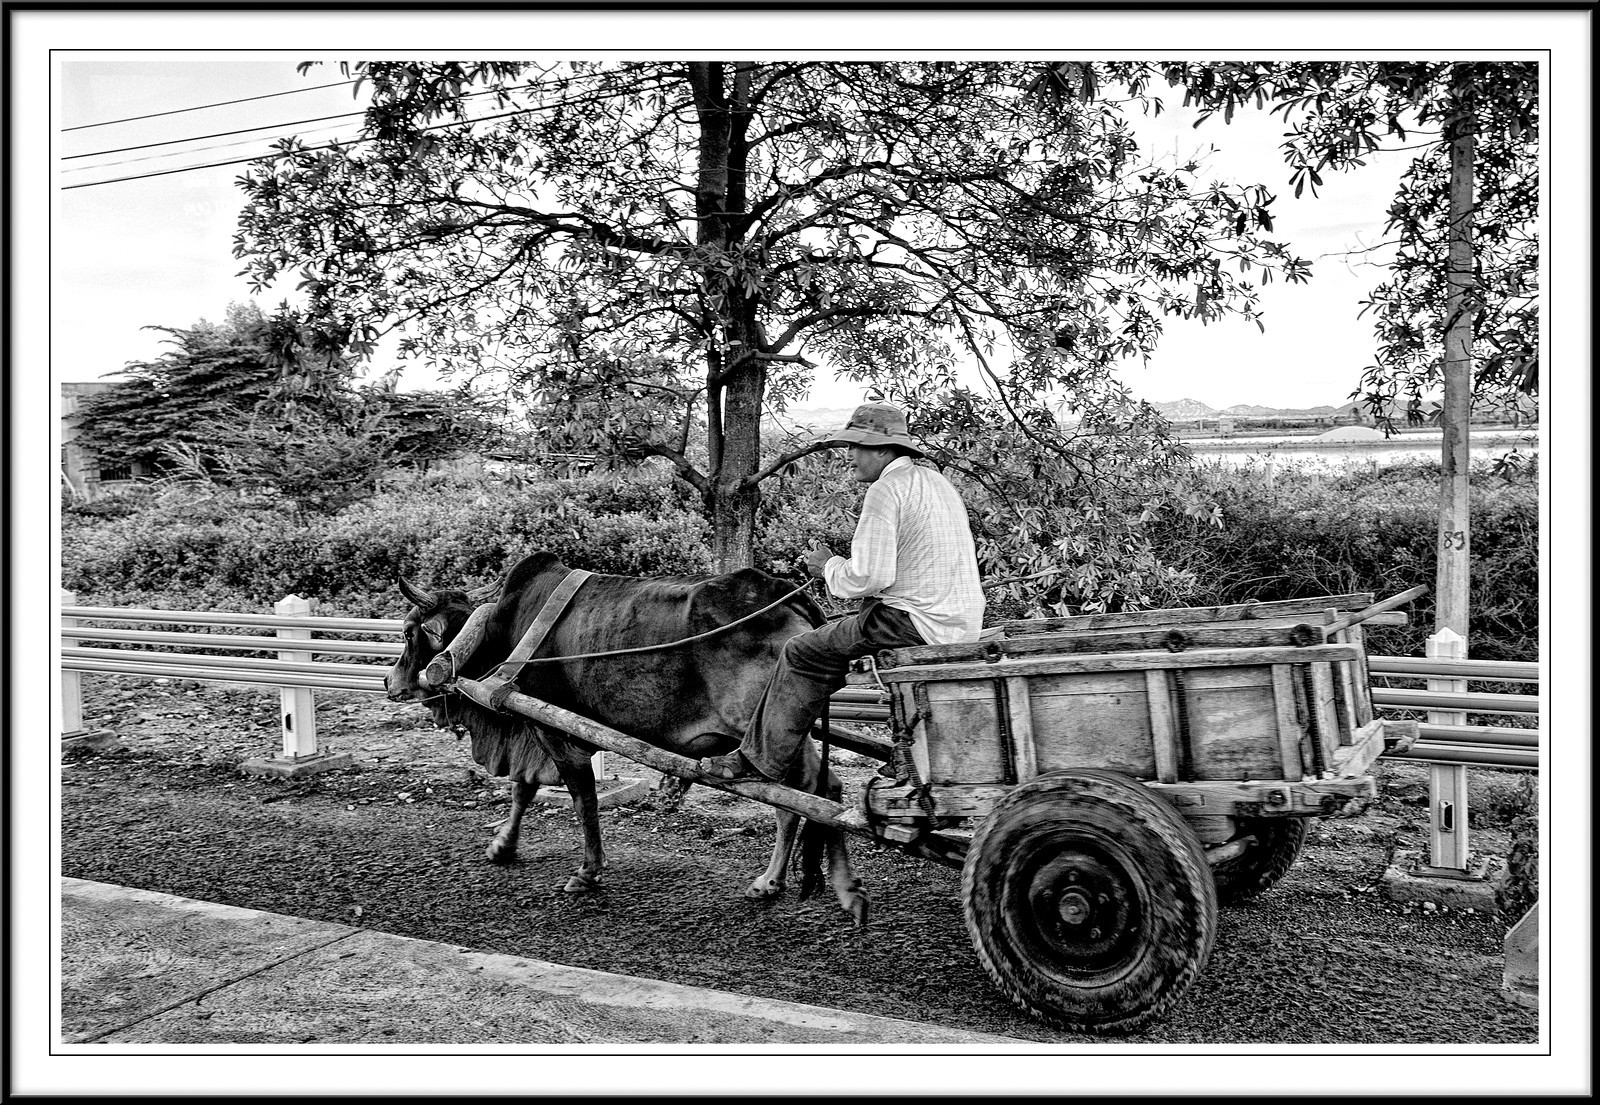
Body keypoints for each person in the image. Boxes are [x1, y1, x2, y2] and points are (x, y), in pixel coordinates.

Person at [699, 402, 985, 785]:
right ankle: (906, 751)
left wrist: (827, 566)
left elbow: (870, 577)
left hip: (913, 622)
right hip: (958, 619)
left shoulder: (887, 490)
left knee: (803, 652)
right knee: (835, 643)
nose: (849, 456)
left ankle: (759, 762)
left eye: (856, 446)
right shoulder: (935, 483)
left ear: (882, 450)